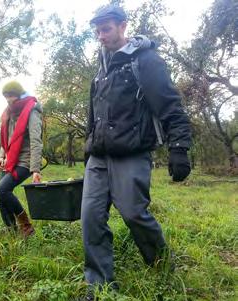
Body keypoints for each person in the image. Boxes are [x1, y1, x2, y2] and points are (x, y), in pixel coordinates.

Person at [81, 4, 192, 296]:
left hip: (132, 152)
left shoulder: (146, 61)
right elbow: (94, 113)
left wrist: (179, 147)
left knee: (133, 213)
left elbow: (171, 106)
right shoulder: (101, 67)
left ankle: (161, 263)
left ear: (123, 26)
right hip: (99, 155)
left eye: (106, 29)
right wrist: (88, 146)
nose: (101, 36)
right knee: (91, 217)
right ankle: (99, 284)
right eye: (97, 31)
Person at [0, 80, 43, 238]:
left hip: (26, 160)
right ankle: (11, 230)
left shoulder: (32, 110)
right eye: (6, 96)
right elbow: (7, 138)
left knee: (2, 189)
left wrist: (35, 169)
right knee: (2, 194)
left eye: (12, 96)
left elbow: (36, 140)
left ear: (19, 94)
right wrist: (2, 156)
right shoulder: (9, 112)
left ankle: (27, 227)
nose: (9, 100)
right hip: (11, 160)